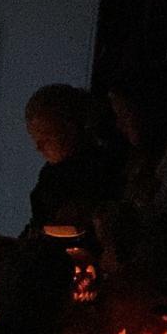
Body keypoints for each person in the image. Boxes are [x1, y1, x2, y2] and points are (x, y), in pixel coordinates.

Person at [23, 83, 117, 234]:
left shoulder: (103, 170)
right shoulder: (49, 175)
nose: (38, 147)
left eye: (46, 139)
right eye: (35, 139)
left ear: (71, 130)